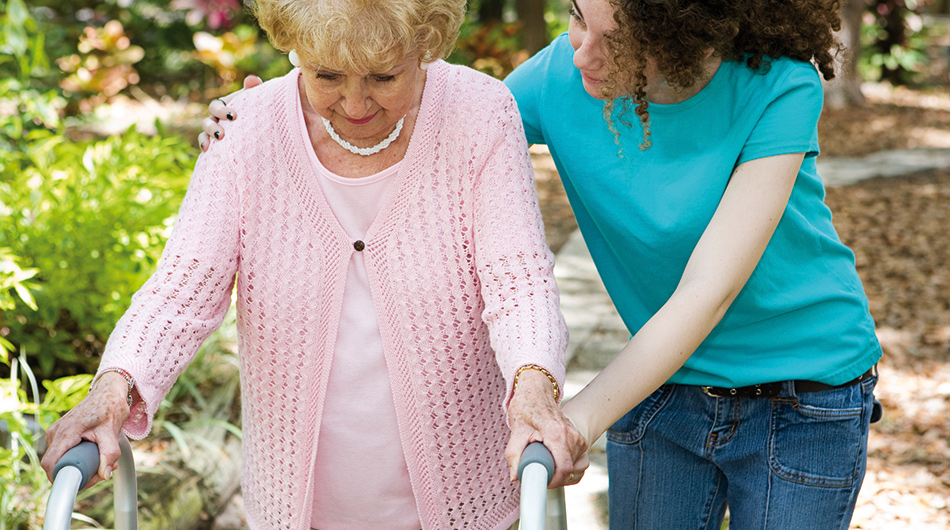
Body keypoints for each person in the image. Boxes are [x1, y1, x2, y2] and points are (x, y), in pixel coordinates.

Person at [201, 0, 883, 527]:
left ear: (682, 40)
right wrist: (279, 116)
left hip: (805, 394)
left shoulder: (779, 88)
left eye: (617, 44)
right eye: (577, 20)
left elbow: (709, 289)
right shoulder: (559, 76)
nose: (582, 52)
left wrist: (574, 417)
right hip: (661, 385)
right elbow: (440, 122)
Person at [41, 1, 589, 528]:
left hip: (463, 494)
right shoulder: (243, 129)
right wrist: (113, 389)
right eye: (326, 75)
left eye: (382, 76)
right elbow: (180, 291)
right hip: (295, 505)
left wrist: (534, 388)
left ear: (424, 44)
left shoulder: (480, 112)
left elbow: (517, 279)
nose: (354, 104)